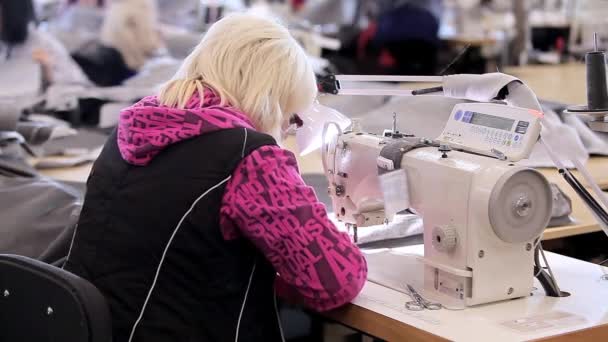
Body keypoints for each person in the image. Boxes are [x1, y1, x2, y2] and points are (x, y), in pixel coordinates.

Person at [64, 13, 367, 342]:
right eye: (289, 114)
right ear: (270, 97)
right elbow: (337, 281)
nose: (286, 127)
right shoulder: (249, 158)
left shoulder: (130, 131)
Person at [72, 0, 165, 86]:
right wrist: (160, 43)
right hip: (126, 65)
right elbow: (148, 44)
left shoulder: (116, 4)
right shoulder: (143, 5)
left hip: (105, 61)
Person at [0, 0, 90, 87]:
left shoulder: (41, 43)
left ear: (12, 12)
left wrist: (48, 73)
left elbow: (81, 87)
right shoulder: (5, 44)